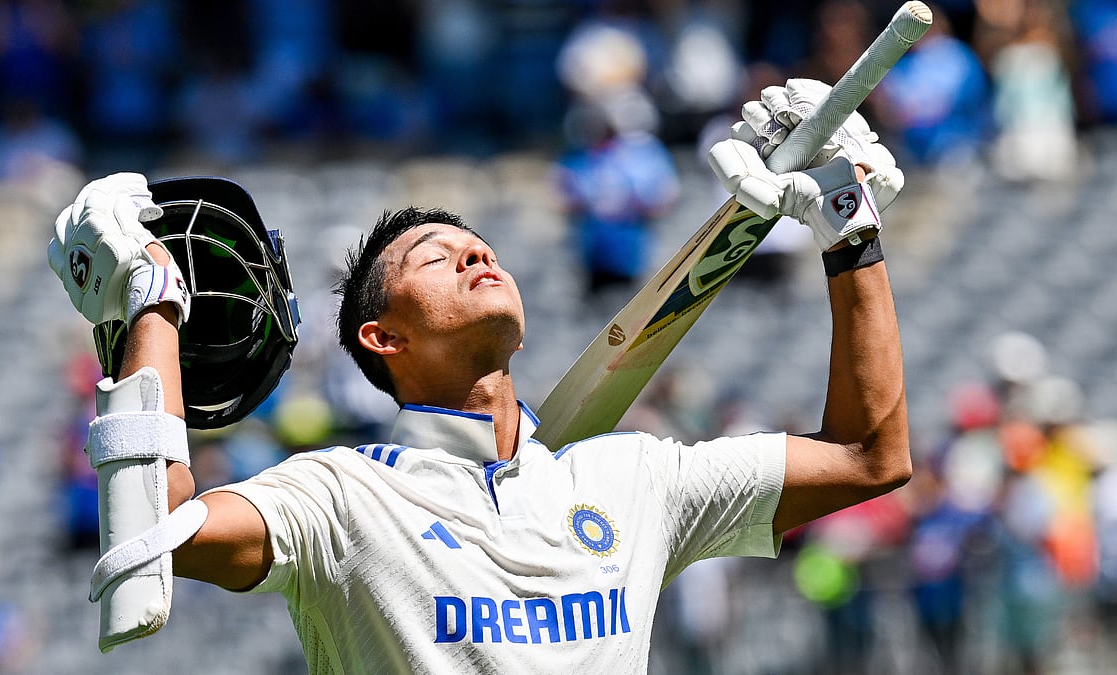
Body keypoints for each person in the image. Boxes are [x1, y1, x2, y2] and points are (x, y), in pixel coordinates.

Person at [49, 79, 910, 673]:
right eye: (435, 254)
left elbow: (871, 453)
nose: (473, 250)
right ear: (382, 337)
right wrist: (152, 299)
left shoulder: (635, 474)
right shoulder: (340, 497)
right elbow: (151, 540)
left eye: (479, 244)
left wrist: (848, 228)